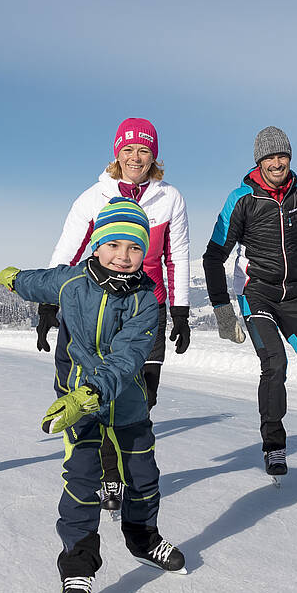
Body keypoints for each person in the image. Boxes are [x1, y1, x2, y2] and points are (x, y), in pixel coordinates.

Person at [0, 198, 186, 593]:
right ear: (97, 246)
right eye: (114, 245)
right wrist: (14, 279)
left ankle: (142, 539)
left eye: (135, 248)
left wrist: (91, 393)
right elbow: (41, 282)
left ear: (144, 253)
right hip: (77, 403)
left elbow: (127, 357)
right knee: (81, 481)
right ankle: (78, 564)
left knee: (143, 479)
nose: (124, 256)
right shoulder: (72, 283)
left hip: (126, 404)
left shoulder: (145, 300)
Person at [40, 118, 190, 515]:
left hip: (147, 308)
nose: (135, 158)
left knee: (143, 395)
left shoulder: (169, 197)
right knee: (104, 389)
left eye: (144, 150)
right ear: (116, 154)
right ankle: (110, 475)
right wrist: (47, 304)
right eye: (128, 149)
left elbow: (177, 255)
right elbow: (68, 252)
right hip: (96, 310)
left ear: (153, 155)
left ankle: (127, 465)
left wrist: (180, 309)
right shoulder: (93, 197)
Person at [203, 126, 297, 478]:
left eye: (282, 155)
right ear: (259, 161)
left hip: (295, 295)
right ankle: (274, 445)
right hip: (255, 292)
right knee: (275, 364)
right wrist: (222, 310)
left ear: (290, 157)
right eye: (269, 157)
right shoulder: (241, 199)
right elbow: (213, 256)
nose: (277, 162)